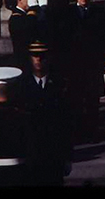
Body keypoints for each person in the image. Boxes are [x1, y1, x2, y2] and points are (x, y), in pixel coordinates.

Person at [59, 0, 105, 144]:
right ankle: (78, 133)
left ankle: (92, 132)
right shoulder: (68, 13)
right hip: (75, 65)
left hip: (93, 64)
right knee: (76, 100)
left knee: (93, 101)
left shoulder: (99, 13)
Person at [20, 41, 72, 186]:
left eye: (42, 56)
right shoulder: (21, 85)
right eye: (35, 55)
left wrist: (68, 156)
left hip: (54, 153)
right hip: (30, 152)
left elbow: (67, 123)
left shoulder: (61, 84)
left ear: (49, 58)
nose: (38, 59)